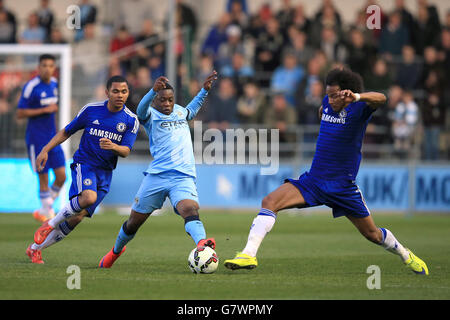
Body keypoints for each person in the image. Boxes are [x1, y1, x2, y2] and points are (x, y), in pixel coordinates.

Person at [224, 68, 429, 275]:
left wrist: (356, 97)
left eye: (334, 95)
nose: (329, 99)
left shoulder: (359, 109)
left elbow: (381, 98)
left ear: (347, 93)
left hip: (342, 188)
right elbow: (323, 111)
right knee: (269, 202)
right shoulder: (326, 104)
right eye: (327, 94)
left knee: (372, 234)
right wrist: (327, 106)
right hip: (314, 181)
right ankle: (248, 254)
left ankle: (405, 254)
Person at [98, 71, 218, 268]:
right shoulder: (149, 115)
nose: (167, 104)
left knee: (190, 208)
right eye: (162, 100)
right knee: (133, 222)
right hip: (157, 177)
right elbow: (141, 109)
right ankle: (115, 251)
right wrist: (152, 91)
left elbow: (192, 110)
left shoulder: (180, 111)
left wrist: (203, 91)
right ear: (156, 100)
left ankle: (202, 245)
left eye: (170, 100)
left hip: (182, 176)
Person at [26, 75, 139, 264]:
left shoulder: (130, 120)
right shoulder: (91, 110)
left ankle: (35, 249)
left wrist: (113, 147)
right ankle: (50, 223)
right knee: (88, 198)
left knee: (77, 218)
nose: (120, 95)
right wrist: (45, 149)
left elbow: (126, 151)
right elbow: (66, 131)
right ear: (107, 92)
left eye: (124, 91)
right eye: (116, 91)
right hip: (84, 164)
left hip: (105, 173)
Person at [16, 54, 66, 223]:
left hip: (53, 137)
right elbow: (20, 113)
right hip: (36, 138)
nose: (47, 68)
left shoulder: (54, 84)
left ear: (54, 68)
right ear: (39, 67)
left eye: (50, 65)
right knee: (43, 176)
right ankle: (48, 214)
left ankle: (45, 207)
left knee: (62, 177)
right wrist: (43, 110)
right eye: (44, 65)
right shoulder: (31, 87)